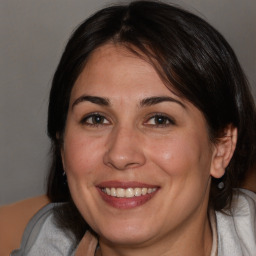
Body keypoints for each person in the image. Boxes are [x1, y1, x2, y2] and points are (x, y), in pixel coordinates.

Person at [10, 1, 256, 255]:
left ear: (221, 149)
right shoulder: (42, 244)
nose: (120, 154)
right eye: (96, 119)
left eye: (159, 120)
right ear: (62, 147)